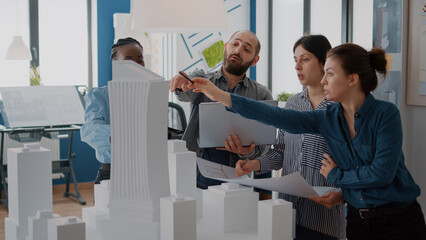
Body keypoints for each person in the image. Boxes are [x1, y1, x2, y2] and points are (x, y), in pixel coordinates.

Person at [189, 43, 426, 240]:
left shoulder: (386, 114)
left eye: (330, 73)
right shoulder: (327, 118)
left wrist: (336, 177)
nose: (324, 80)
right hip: (357, 220)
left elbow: (381, 174)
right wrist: (219, 95)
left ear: (352, 79)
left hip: (399, 220)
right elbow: (278, 116)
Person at [235, 35, 345, 240]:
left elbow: (354, 164)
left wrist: (342, 194)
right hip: (286, 214)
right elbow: (280, 152)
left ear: (324, 62)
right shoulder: (293, 104)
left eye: (304, 59)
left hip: (324, 220)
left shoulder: (340, 109)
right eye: (295, 60)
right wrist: (253, 165)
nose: (297, 67)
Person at [170, 30, 272, 189]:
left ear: (255, 60)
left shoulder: (262, 95)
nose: (238, 50)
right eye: (235, 44)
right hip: (195, 177)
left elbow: (264, 147)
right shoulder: (202, 80)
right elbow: (185, 94)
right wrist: (182, 85)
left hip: (236, 182)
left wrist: (247, 152)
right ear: (226, 47)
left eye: (246, 49)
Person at [81, 37, 145, 184]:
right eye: (128, 60)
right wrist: (123, 135)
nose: (136, 65)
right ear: (115, 63)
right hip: (111, 173)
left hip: (143, 171)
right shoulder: (100, 95)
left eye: (140, 60)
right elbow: (90, 130)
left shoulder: (147, 94)